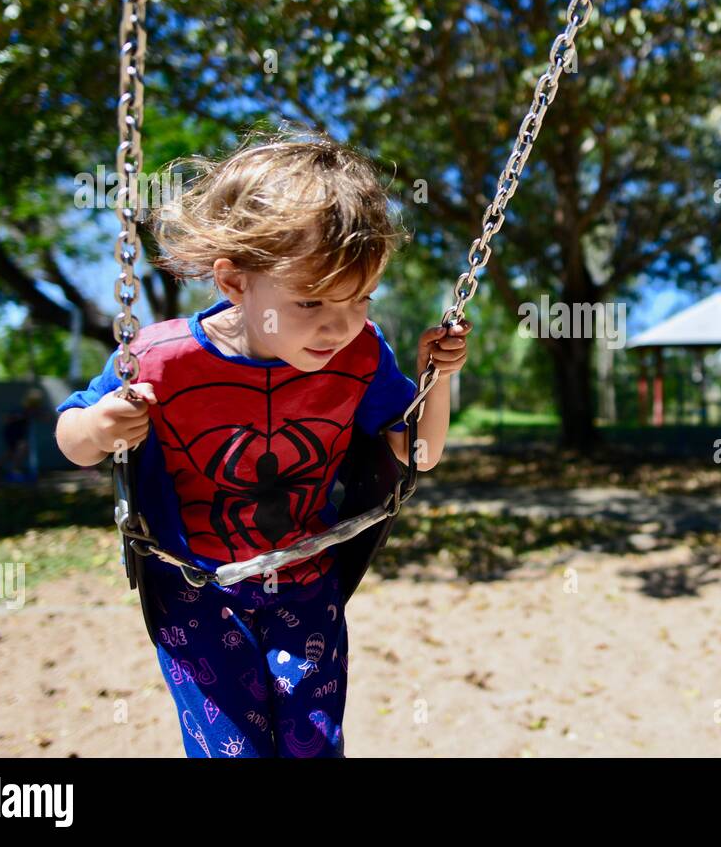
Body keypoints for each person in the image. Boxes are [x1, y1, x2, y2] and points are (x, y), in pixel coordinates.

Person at [53, 129, 470, 757]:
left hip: (307, 582)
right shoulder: (160, 360)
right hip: (197, 588)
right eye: (310, 301)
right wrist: (100, 426)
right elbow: (72, 439)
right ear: (234, 281)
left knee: (313, 749)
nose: (338, 324)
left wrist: (437, 382)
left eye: (360, 298)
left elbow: (419, 454)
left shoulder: (359, 355)